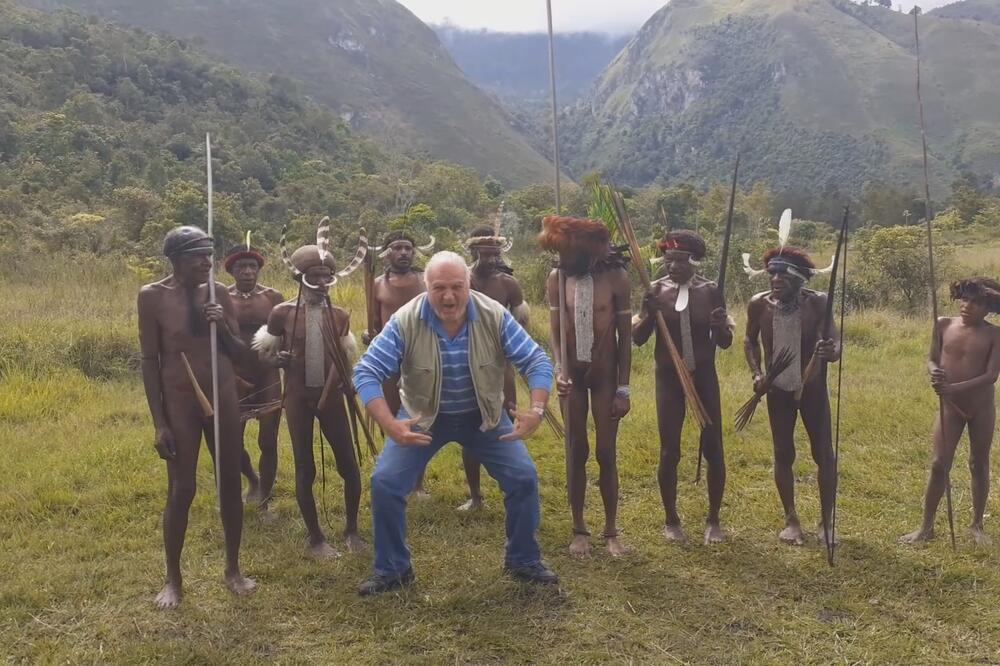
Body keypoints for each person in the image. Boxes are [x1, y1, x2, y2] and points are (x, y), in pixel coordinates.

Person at [353, 251, 557, 595]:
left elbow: (536, 360)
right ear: (426, 287)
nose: (448, 297)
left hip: (485, 415)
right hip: (423, 417)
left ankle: (523, 559)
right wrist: (389, 423)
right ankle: (393, 569)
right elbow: (366, 371)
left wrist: (536, 411)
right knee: (385, 482)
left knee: (523, 477)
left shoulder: (494, 315)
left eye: (456, 287)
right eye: (439, 288)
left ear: (468, 285)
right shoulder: (406, 319)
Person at [137, 226, 256, 610]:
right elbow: (150, 361)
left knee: (228, 480)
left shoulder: (219, 292)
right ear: (175, 259)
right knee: (182, 488)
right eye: (198, 256)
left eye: (209, 254)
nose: (208, 262)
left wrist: (221, 324)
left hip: (222, 399)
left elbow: (238, 352)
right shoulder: (152, 297)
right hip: (180, 402)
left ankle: (233, 570)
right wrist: (160, 422)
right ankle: (173, 579)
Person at [253, 239, 364, 557]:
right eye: (315, 275)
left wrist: (349, 382)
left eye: (328, 275)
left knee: (349, 464)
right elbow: (265, 356)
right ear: (300, 277)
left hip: (332, 400)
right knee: (305, 467)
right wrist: (279, 361)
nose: (322, 282)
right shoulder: (282, 313)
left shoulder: (340, 315)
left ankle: (352, 530)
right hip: (298, 399)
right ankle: (315, 538)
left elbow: (345, 357)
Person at [633, 230, 733, 545]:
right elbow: (638, 339)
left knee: (714, 447)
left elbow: (726, 343)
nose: (673, 266)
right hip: (668, 378)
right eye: (668, 260)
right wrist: (648, 314)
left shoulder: (711, 291)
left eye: (680, 260)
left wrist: (720, 327)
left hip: (704, 376)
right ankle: (671, 520)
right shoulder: (655, 291)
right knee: (669, 450)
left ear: (693, 261)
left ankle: (714, 520)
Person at [541, 216, 632, 557]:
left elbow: (625, 340)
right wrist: (559, 368)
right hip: (573, 378)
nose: (607, 251)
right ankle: (579, 528)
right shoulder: (558, 277)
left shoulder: (616, 277)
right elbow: (554, 330)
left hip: (606, 374)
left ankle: (611, 530)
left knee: (606, 452)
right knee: (575, 450)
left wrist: (624, 389)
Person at [744, 246, 840, 546]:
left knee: (823, 454)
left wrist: (830, 351)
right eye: (771, 273)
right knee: (783, 454)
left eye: (783, 274)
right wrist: (757, 373)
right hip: (777, 391)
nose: (775, 278)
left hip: (812, 388)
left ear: (800, 278)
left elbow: (835, 343)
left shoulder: (818, 303)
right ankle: (791, 520)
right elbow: (749, 340)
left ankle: (826, 522)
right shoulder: (759, 305)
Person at [901, 277, 1000, 546]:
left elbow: (991, 375)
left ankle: (977, 525)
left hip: (980, 409)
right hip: (950, 408)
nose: (967, 306)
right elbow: (932, 359)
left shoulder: (994, 334)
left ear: (989, 307)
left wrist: (954, 387)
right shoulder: (944, 324)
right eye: (965, 299)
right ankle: (926, 527)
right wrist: (935, 373)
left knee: (978, 463)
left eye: (976, 302)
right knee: (938, 464)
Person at [458, 225, 530, 512]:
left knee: (504, 420)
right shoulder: (460, 280)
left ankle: (510, 486)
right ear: (474, 252)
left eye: (495, 254)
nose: (490, 260)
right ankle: (475, 495)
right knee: (469, 428)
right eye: (485, 254)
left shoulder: (509, 284)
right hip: (465, 362)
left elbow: (521, 326)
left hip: (501, 365)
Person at [364, 230, 430, 499]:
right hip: (389, 358)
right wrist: (370, 337)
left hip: (422, 357)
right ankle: (395, 472)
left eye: (407, 248)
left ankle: (417, 482)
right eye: (397, 248)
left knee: (420, 418)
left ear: (414, 252)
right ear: (387, 252)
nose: (403, 252)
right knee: (390, 415)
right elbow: (375, 323)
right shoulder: (377, 284)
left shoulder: (425, 281)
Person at [223, 239, 284, 516]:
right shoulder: (220, 297)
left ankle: (264, 500)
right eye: (241, 267)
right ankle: (252, 478)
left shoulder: (273, 297)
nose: (248, 271)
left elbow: (286, 332)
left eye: (252, 266)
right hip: (235, 375)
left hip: (267, 374)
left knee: (268, 441)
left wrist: (282, 358)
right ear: (231, 270)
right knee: (231, 440)